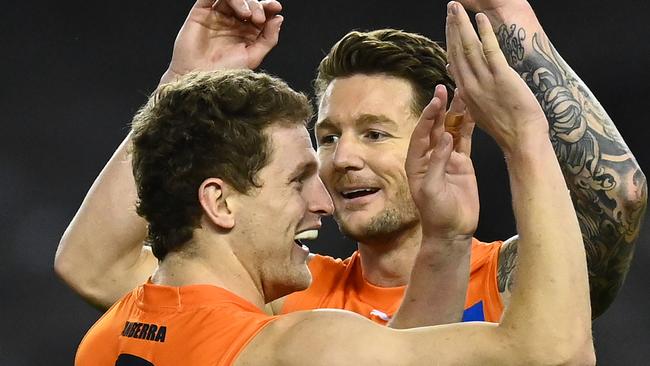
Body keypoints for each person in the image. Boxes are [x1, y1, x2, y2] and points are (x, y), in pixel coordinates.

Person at [56, 0, 646, 325]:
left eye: (375, 133)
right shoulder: (288, 291)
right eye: (329, 136)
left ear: (447, 135)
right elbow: (95, 267)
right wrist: (186, 80)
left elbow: (616, 194)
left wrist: (511, 16)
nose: (342, 160)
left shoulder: (509, 281)